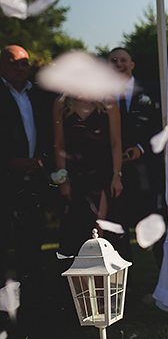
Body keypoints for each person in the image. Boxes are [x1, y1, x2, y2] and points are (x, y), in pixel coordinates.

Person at [107, 47, 166, 262]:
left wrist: (141, 148)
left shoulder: (153, 90)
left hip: (148, 168)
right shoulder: (102, 95)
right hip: (115, 169)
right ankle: (124, 273)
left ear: (131, 64)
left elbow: (163, 124)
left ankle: (163, 270)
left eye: (123, 60)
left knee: (155, 219)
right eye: (114, 61)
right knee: (118, 224)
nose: (119, 64)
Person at [1, 45, 55, 272]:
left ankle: (32, 287)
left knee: (32, 237)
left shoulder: (38, 94)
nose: (20, 67)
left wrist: (42, 161)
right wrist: (9, 162)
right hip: (5, 177)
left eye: (24, 63)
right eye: (13, 63)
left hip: (34, 178)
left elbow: (49, 132)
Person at [52, 90, 124, 259]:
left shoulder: (108, 103)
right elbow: (59, 144)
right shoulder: (61, 104)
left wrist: (116, 175)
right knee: (75, 230)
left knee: (98, 226)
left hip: (101, 174)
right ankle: (80, 274)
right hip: (74, 176)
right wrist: (63, 179)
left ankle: (101, 272)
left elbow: (116, 142)